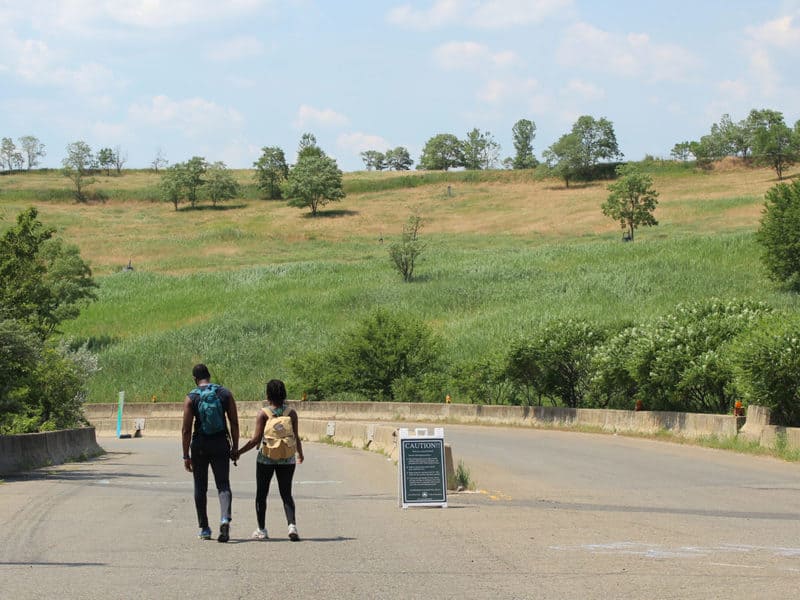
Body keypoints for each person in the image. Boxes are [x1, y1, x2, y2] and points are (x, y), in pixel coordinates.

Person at [238, 379, 304, 541]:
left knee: (262, 494)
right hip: (287, 458)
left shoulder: (263, 414)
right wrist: (299, 454)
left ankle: (261, 530)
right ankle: (292, 526)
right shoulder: (291, 413)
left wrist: (238, 452)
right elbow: (296, 437)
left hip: (266, 458)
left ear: (268, 395)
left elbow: (255, 440)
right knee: (286, 493)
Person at [181, 363, 239, 542]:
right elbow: (234, 423)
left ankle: (205, 528)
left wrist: (185, 455)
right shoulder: (225, 394)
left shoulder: (191, 397)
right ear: (209, 376)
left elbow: (186, 429)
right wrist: (235, 447)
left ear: (194, 378)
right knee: (223, 484)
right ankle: (224, 518)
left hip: (199, 445)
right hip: (220, 443)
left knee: (200, 487)